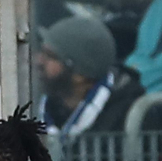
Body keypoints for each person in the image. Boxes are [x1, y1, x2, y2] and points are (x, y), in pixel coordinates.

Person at [37, 16, 144, 144]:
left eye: (51, 56)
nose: (39, 61)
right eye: (42, 52)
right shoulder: (47, 108)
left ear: (80, 76)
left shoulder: (132, 119)